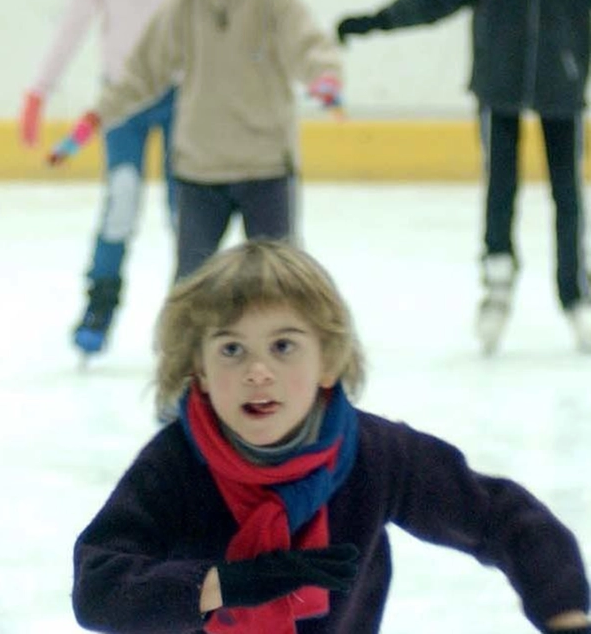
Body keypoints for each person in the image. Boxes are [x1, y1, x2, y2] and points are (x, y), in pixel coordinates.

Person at [71, 239, 591, 633]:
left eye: (283, 347)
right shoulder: (177, 464)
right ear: (200, 371)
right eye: (231, 350)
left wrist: (565, 614)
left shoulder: (373, 455)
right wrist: (223, 585)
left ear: (328, 361)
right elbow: (99, 585)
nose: (257, 372)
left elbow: (504, 520)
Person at [335, 0, 591, 356]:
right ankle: (497, 279)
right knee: (500, 187)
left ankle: (576, 294)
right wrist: (377, 21)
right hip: (499, 82)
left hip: (561, 82)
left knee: (567, 194)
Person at [51, 0, 342, 289]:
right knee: (192, 289)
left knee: (281, 285)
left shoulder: (276, 1)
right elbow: (142, 74)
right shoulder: (185, 6)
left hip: (266, 170)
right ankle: (185, 349)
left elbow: (311, 48)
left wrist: (325, 78)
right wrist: (94, 119)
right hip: (200, 174)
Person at [19, 0, 200, 356]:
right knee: (121, 198)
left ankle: (193, 317)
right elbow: (74, 22)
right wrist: (39, 91)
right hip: (123, 99)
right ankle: (100, 304)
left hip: (188, 96)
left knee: (187, 211)